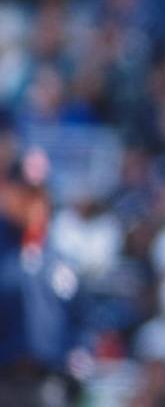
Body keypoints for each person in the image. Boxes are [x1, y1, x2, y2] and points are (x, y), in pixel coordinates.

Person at [0, 145, 83, 407]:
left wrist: (79, 353)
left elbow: (81, 318)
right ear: (7, 191)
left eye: (38, 192)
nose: (33, 200)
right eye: (25, 191)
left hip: (47, 384)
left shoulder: (59, 256)